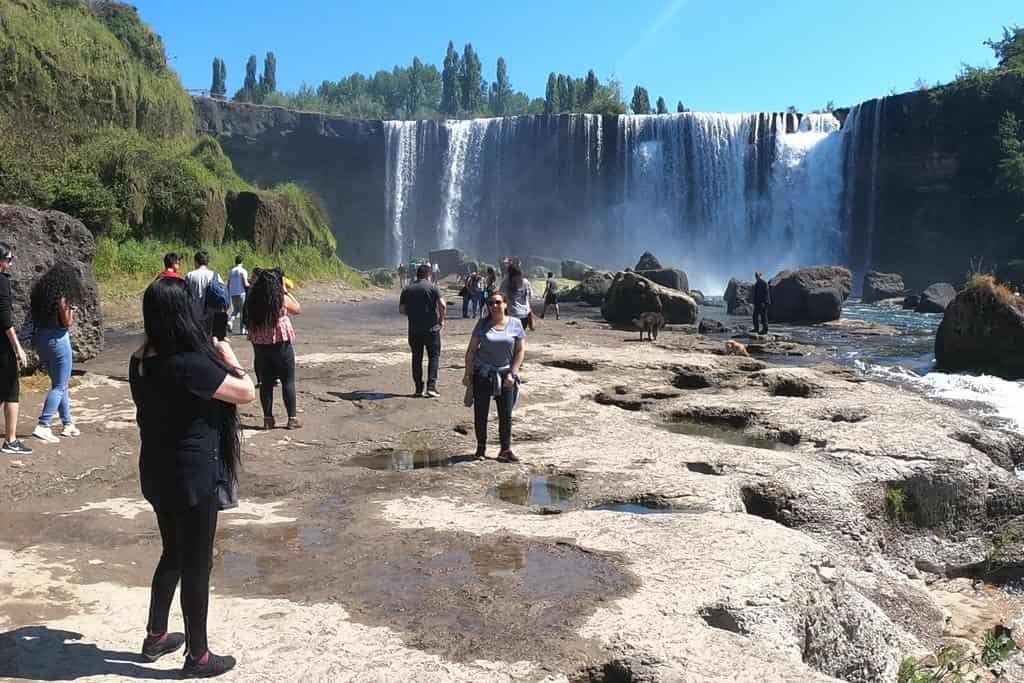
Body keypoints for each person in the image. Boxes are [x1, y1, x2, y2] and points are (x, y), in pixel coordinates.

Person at [130, 276, 255, 678]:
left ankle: (155, 637)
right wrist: (229, 353)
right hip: (193, 477)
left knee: (173, 552)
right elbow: (245, 392)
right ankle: (198, 656)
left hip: (156, 471)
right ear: (184, 313)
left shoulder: (141, 359)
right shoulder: (189, 363)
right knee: (197, 563)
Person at [462, 292, 525, 463]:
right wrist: (468, 374)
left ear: (505, 304)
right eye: (490, 303)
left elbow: (519, 351)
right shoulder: (482, 324)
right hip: (483, 373)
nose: (494, 306)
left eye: (497, 302)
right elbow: (471, 351)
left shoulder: (516, 324)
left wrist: (513, 373)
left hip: (506, 374)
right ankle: (480, 449)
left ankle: (505, 450)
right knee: (480, 412)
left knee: (506, 414)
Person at [30, 262, 83, 444]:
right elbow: (67, 322)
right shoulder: (62, 296)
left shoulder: (40, 292)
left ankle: (68, 423)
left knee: (60, 383)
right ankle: (43, 425)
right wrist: (73, 310)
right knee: (60, 385)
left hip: (41, 339)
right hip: (58, 340)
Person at [245, 269, 302, 430]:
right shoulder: (280, 298)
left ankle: (268, 419)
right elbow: (297, 309)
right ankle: (292, 419)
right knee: (288, 381)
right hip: (280, 344)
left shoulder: (253, 300)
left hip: (261, 346)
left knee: (266, 383)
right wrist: (285, 290)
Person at [0, 243, 30, 455]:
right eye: (8, 258)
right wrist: (18, 347)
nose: (12, 262)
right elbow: (5, 320)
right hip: (2, 346)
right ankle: (10, 441)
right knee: (11, 390)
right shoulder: (2, 282)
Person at [399, 264, 446, 398]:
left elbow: (401, 310)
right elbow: (442, 305)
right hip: (432, 329)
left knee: (416, 357)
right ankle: (431, 387)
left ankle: (419, 388)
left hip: (414, 329)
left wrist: (413, 314)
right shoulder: (433, 287)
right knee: (434, 356)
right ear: (429, 275)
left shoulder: (407, 289)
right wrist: (441, 321)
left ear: (417, 275)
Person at [185, 251, 220, 335]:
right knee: (208, 338)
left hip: (193, 314)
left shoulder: (190, 275)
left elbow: (185, 294)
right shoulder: (214, 275)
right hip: (210, 313)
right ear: (208, 262)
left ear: (196, 262)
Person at [501, 265, 534, 331]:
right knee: (520, 334)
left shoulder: (506, 282)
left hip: (512, 313)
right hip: (525, 313)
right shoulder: (525, 281)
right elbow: (531, 295)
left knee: (511, 335)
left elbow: (501, 294)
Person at [227, 256, 249, 335]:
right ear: (242, 262)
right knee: (243, 311)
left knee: (235, 310)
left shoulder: (231, 271)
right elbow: (245, 283)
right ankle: (242, 329)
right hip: (241, 293)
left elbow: (228, 284)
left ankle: (230, 321)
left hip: (233, 293)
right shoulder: (243, 271)